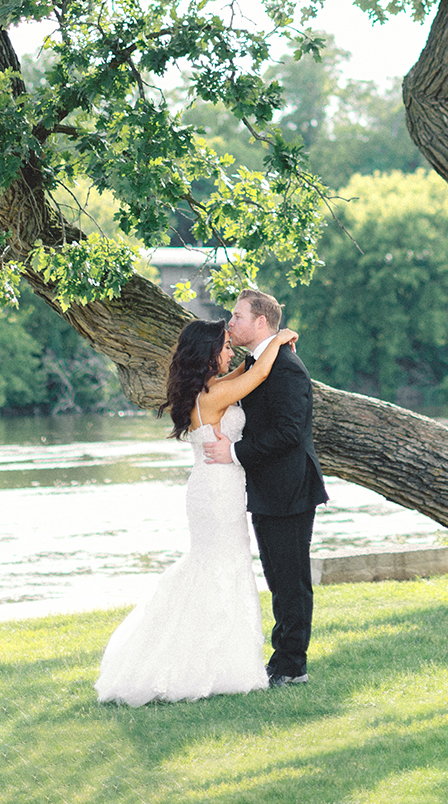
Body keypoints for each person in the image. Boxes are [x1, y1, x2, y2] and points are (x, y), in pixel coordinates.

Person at [95, 314, 298, 707]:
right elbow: (254, 378)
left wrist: (261, 349)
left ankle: (223, 661)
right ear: (207, 354)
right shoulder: (212, 396)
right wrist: (280, 338)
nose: (230, 350)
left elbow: (246, 369)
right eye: (224, 345)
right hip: (217, 492)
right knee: (220, 567)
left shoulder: (211, 387)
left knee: (220, 565)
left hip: (217, 488)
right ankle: (209, 665)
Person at [204, 287, 328, 686]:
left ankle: (294, 666)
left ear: (260, 322)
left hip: (290, 489)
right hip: (266, 490)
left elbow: (290, 432)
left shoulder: (287, 368)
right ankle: (281, 659)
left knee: (291, 580)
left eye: (237, 317)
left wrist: (235, 453)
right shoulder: (257, 363)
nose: (231, 323)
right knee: (277, 578)